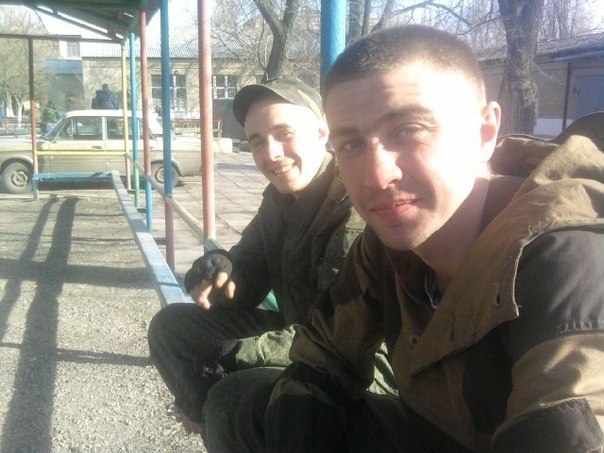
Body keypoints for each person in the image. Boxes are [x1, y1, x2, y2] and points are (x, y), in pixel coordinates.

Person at [234, 25, 604, 453]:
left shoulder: (569, 261)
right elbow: (323, 355)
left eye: (409, 129)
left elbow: (571, 425)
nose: (376, 177)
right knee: (251, 408)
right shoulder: (387, 245)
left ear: (484, 133)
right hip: (427, 433)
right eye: (351, 144)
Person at [147, 77, 395, 451]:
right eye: (258, 141)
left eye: (284, 134)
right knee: (171, 327)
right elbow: (247, 275)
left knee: (231, 397)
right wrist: (221, 270)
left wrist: (237, 354)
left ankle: (226, 421)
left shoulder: (353, 206)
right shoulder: (279, 199)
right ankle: (213, 424)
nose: (272, 153)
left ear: (321, 132)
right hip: (296, 330)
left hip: (362, 362)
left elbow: (343, 336)